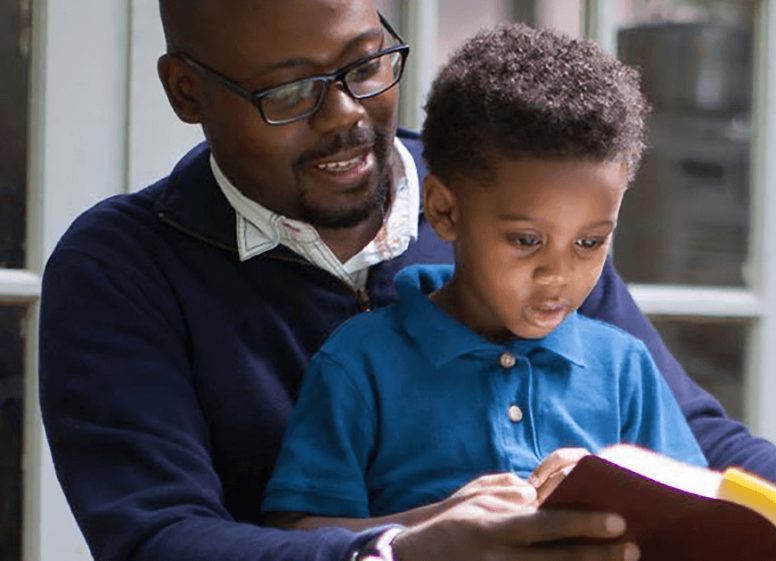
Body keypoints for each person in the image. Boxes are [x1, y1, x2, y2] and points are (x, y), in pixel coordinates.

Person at [35, 1, 776, 561]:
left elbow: (688, 436)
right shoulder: (121, 271)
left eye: (365, 63)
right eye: (288, 91)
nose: (344, 115)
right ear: (185, 91)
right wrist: (399, 557)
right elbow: (161, 542)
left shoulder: (514, 193)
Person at [260, 23, 707, 533]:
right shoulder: (359, 365)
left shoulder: (625, 369)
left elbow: (696, 520)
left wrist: (616, 489)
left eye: (589, 242)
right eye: (525, 240)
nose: (557, 272)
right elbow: (295, 535)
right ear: (445, 211)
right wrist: (435, 525)